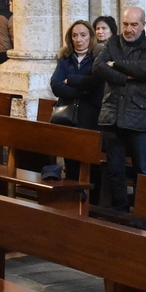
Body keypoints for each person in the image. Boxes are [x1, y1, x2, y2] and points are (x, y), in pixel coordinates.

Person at [93, 6, 146, 212]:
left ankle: (142, 214)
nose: (129, 29)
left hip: (138, 115)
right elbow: (98, 67)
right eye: (125, 24)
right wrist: (126, 76)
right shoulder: (113, 42)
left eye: (134, 25)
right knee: (115, 169)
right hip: (112, 114)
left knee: (141, 169)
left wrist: (115, 64)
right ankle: (119, 211)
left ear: (143, 25)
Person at [51, 20, 104, 201]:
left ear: (90, 37)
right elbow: (56, 85)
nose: (78, 40)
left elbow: (96, 85)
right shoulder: (65, 58)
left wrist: (71, 81)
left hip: (91, 117)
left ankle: (93, 202)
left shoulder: (97, 58)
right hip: (69, 116)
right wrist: (82, 92)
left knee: (91, 162)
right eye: (74, 36)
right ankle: (72, 201)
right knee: (71, 161)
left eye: (83, 35)